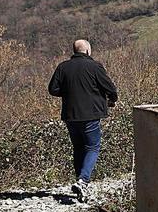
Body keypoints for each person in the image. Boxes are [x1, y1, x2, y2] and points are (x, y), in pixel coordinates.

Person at [48, 39, 118, 201]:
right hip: (91, 114)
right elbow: (109, 87)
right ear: (87, 51)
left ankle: (80, 182)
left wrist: (69, 93)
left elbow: (53, 89)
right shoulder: (94, 67)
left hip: (70, 115)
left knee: (78, 148)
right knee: (92, 147)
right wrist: (112, 99)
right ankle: (83, 180)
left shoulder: (63, 67)